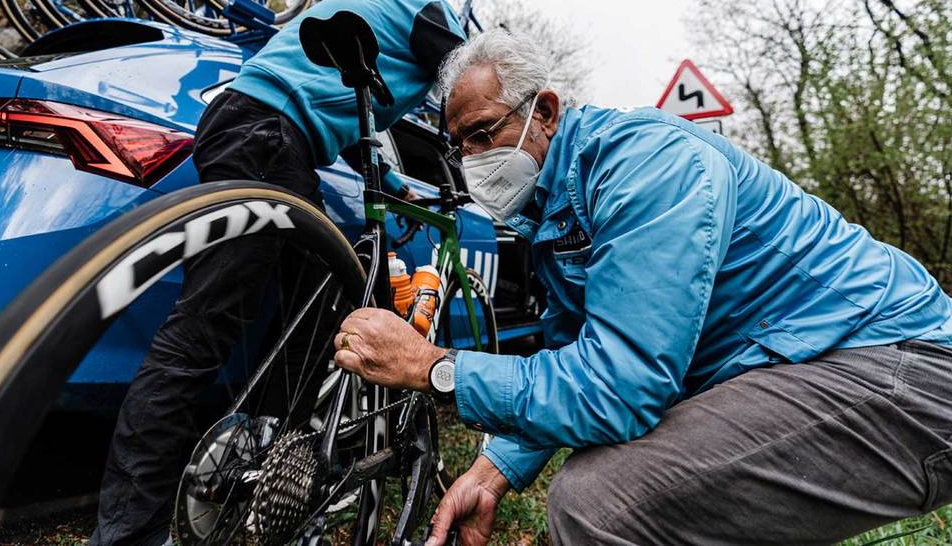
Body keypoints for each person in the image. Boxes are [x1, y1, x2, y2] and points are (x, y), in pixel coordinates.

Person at [332, 30, 952, 545]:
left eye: (484, 132)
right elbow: (572, 361)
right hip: (809, 363)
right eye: (459, 144)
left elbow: (620, 388)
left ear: (543, 112)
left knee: (599, 501)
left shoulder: (646, 167)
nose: (470, 160)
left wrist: (436, 368)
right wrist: (497, 469)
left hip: (902, 371)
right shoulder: (554, 205)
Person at [90, 0, 465, 546]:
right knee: (202, 330)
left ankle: (273, 466)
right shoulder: (430, 13)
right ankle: (128, 535)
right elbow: (469, 79)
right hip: (266, 132)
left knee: (321, 302)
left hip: (269, 134)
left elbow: (349, 122)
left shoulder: (377, 21)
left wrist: (391, 183)